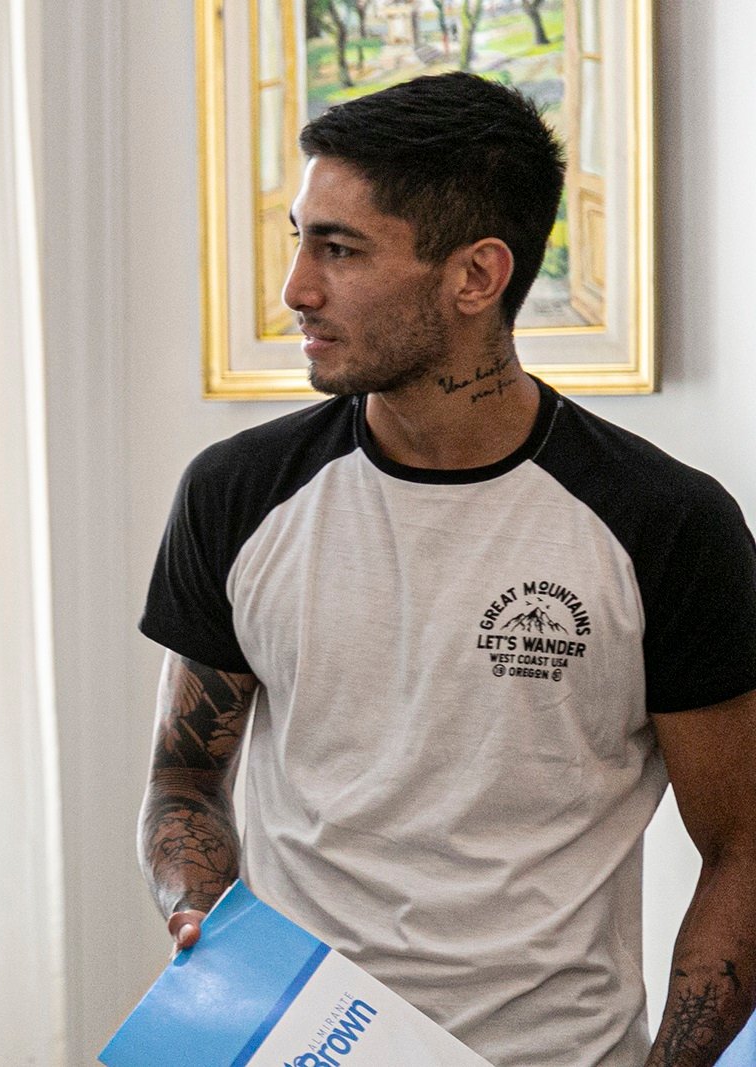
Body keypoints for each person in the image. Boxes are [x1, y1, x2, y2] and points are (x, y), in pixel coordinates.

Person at [137, 72, 756, 1067]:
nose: (295, 285)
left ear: (474, 276)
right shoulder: (236, 492)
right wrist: (196, 913)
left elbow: (743, 849)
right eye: (299, 237)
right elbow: (182, 778)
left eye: (337, 249)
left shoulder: (665, 524)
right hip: (296, 1046)